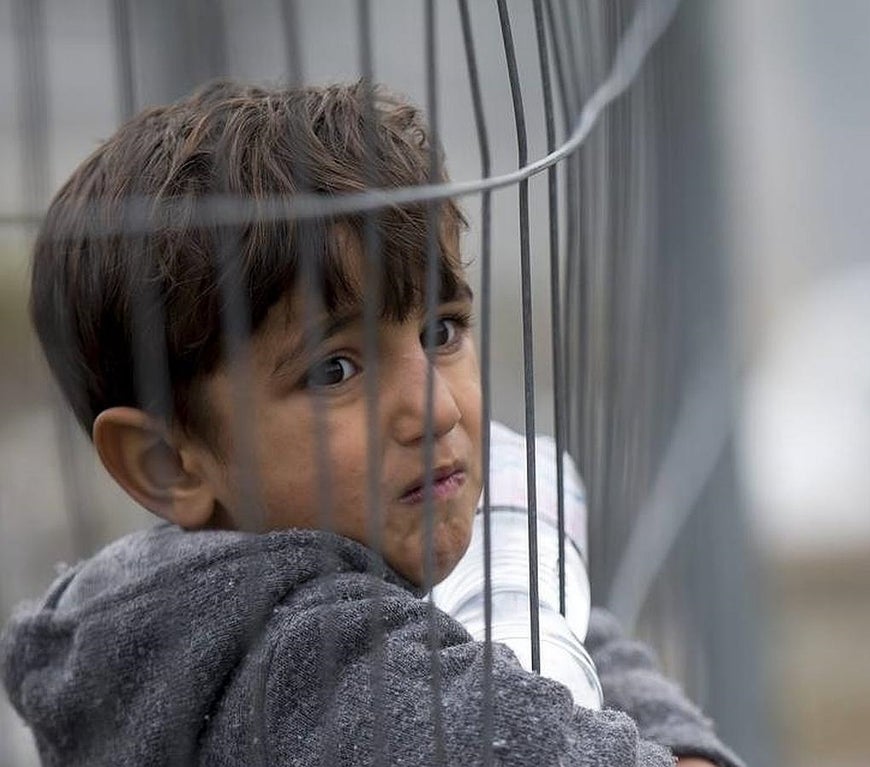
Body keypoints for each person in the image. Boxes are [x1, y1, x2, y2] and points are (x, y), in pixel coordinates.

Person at [0, 81, 745, 767]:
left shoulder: (269, 579)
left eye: (442, 332)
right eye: (334, 371)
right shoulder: (299, 661)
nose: (437, 409)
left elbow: (563, 627)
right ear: (169, 461)